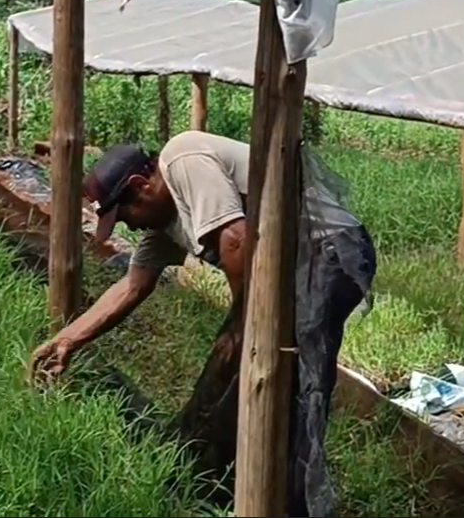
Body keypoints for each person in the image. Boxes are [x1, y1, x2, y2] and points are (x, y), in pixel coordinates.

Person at [29, 129, 376, 517]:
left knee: (284, 379)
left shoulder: (182, 156)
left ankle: (285, 501)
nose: (127, 226)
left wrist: (245, 326)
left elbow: (235, 240)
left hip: (329, 251)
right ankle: (223, 482)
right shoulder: (164, 224)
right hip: (293, 269)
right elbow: (132, 285)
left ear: (141, 185)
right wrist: (66, 341)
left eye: (123, 214)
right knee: (243, 372)